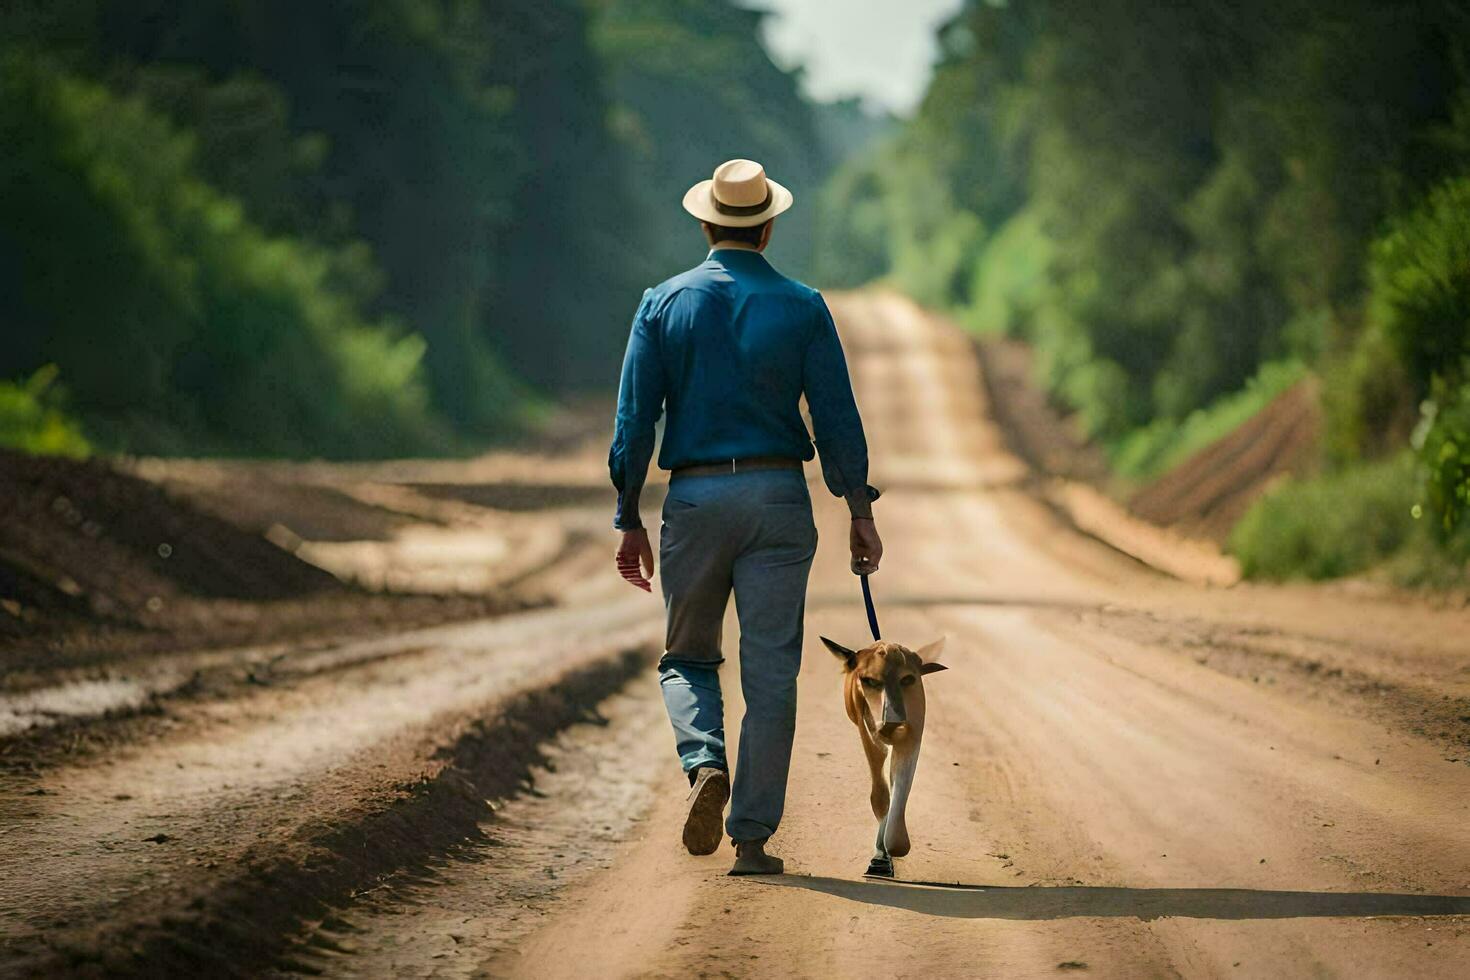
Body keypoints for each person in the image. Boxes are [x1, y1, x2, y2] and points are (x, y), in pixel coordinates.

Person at [607, 158, 881, 876]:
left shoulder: (662, 303)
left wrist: (627, 513)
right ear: (767, 225)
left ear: (706, 223)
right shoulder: (803, 305)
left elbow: (636, 421)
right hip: (778, 501)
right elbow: (836, 418)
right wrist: (858, 507)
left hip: (695, 503)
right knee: (771, 675)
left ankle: (704, 762)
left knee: (687, 657)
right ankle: (752, 837)